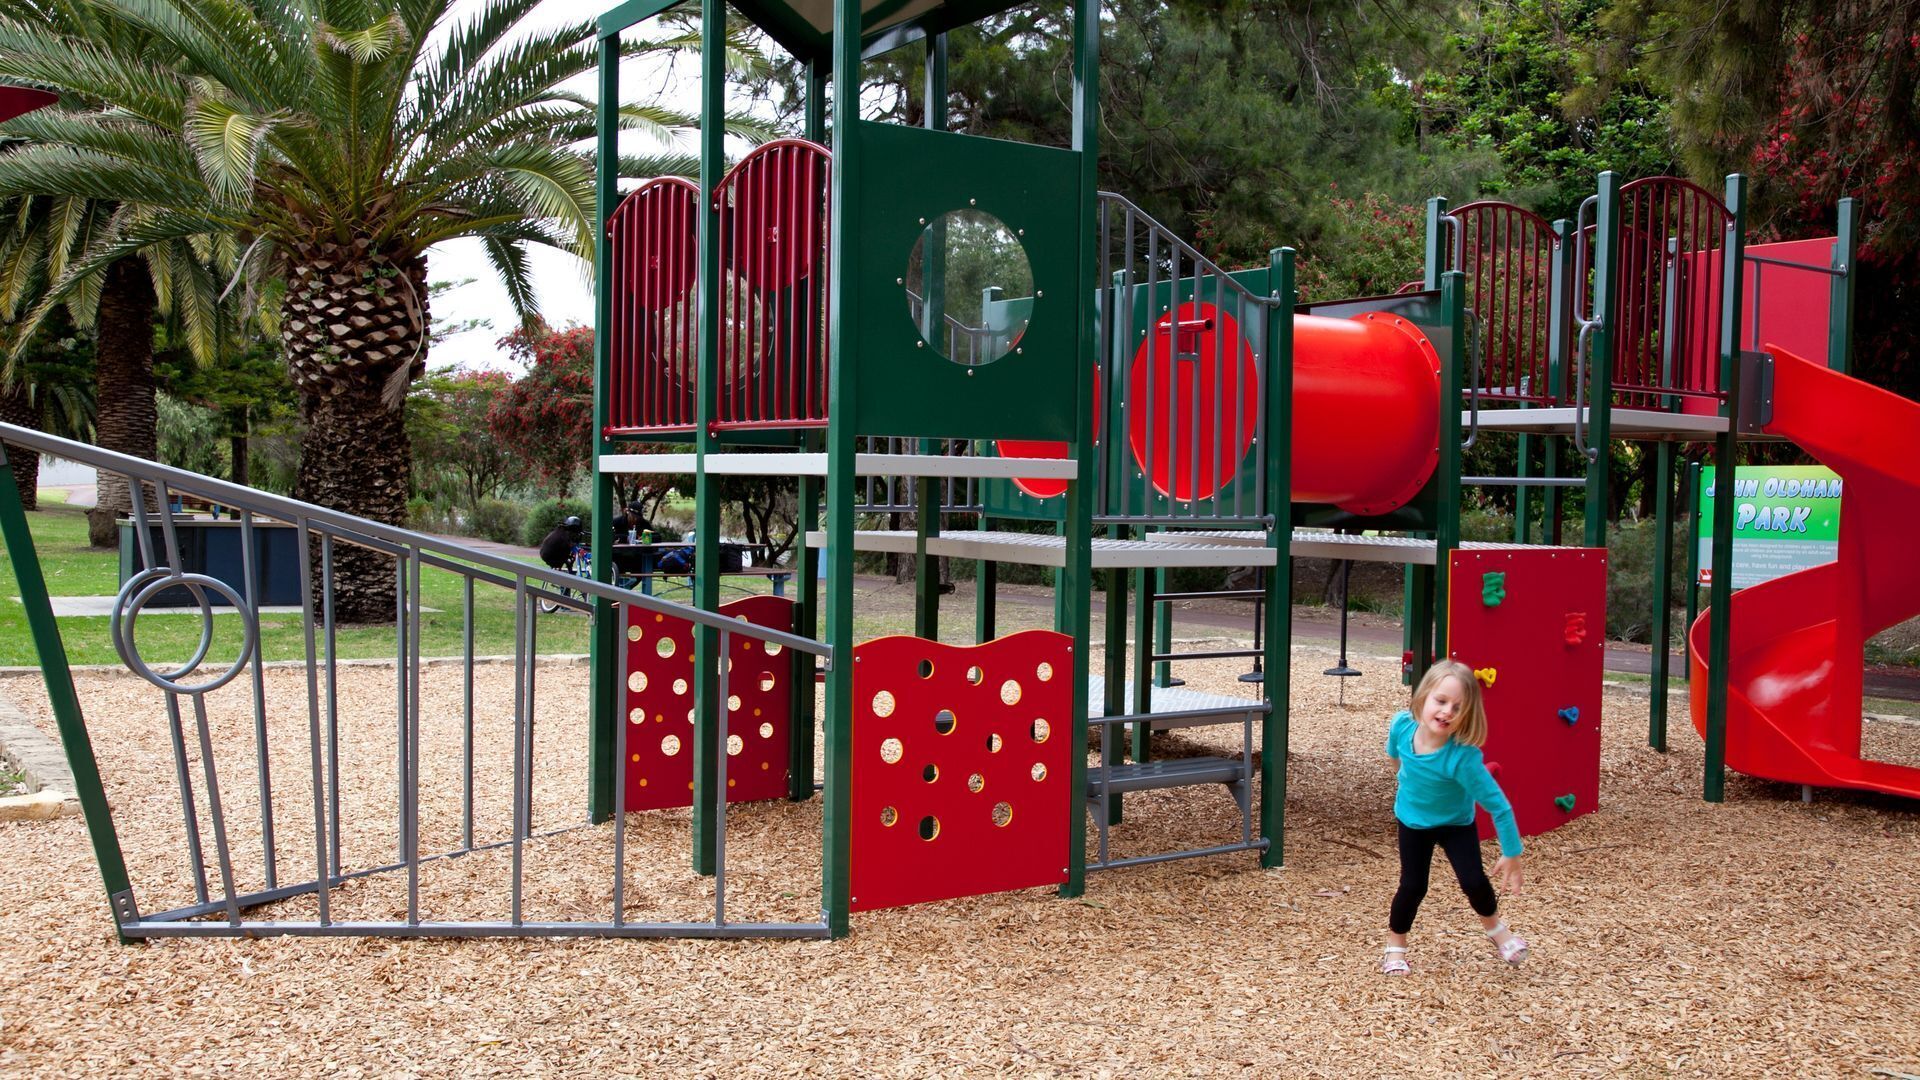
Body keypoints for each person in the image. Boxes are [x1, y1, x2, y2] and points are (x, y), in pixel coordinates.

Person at [1380, 658, 1528, 976]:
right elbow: (1393, 755)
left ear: (1467, 716)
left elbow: (1499, 806)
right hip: (1413, 822)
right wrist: (1403, 779)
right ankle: (1395, 947)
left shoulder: (1464, 759)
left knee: (1474, 880)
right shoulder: (1402, 726)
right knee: (1412, 885)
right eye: (1441, 701)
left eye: (1457, 707)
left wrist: (1512, 851)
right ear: (1424, 696)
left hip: (1455, 824)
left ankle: (1497, 931)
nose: (1447, 711)